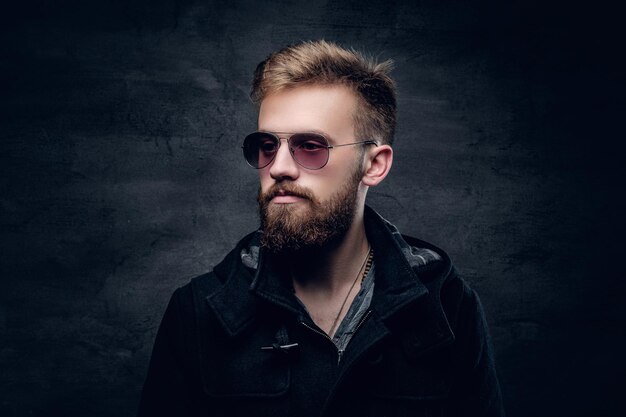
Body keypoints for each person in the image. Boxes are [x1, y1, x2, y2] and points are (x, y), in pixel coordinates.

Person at [138, 40, 505, 417]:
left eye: (310, 146)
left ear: (374, 165)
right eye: (267, 145)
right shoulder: (199, 311)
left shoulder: (447, 306)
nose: (279, 167)